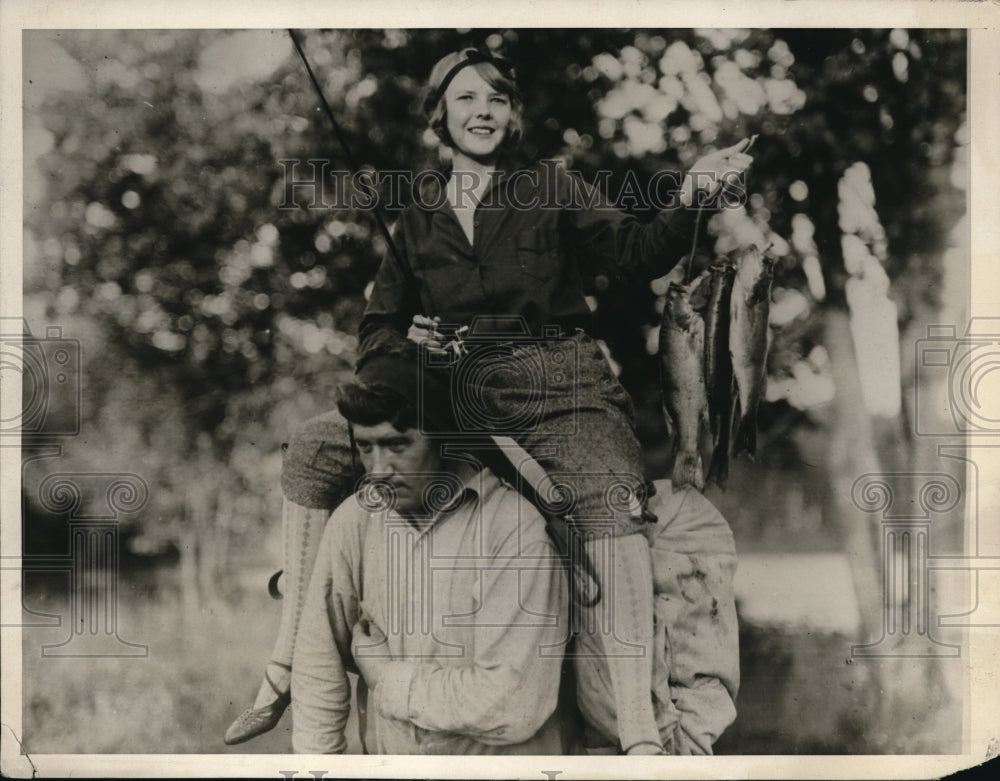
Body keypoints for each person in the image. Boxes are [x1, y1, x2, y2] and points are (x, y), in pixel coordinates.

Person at [226, 45, 751, 753]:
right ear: (439, 115)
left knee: (608, 496)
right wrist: (403, 359)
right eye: (467, 99)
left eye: (497, 100)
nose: (484, 112)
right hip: (449, 385)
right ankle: (285, 661)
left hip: (556, 382)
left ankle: (637, 733)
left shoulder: (552, 186)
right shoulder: (417, 215)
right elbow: (377, 327)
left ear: (512, 115)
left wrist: (690, 196)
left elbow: (632, 254)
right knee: (317, 445)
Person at [290, 347, 571, 754]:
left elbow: (512, 704)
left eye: (397, 445)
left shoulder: (512, 525)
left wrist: (387, 679)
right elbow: (318, 667)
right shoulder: (354, 521)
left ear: (444, 437)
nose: (379, 469)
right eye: (366, 447)